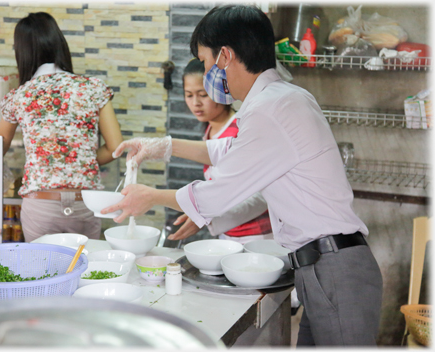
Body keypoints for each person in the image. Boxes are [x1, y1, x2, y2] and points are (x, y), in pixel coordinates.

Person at [103, 4, 383, 347]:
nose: (207, 73)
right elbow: (230, 151)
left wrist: (151, 196)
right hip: (324, 268)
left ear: (225, 56)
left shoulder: (273, 108)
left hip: (335, 269)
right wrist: (165, 145)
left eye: (206, 62)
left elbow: (221, 189)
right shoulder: (278, 101)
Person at [0, 12, 122, 242]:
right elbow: (115, 147)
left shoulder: (19, 96)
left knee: (44, 274)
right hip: (85, 204)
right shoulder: (93, 88)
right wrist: (80, 160)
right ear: (59, 45)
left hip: (40, 205)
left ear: (22, 53)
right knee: (85, 271)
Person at [169, 58, 272, 244]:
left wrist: (207, 217)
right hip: (229, 233)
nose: (196, 103)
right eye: (189, 95)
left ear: (222, 90)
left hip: (256, 236)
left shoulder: (238, 129)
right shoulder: (210, 130)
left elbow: (259, 195)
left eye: (203, 94)